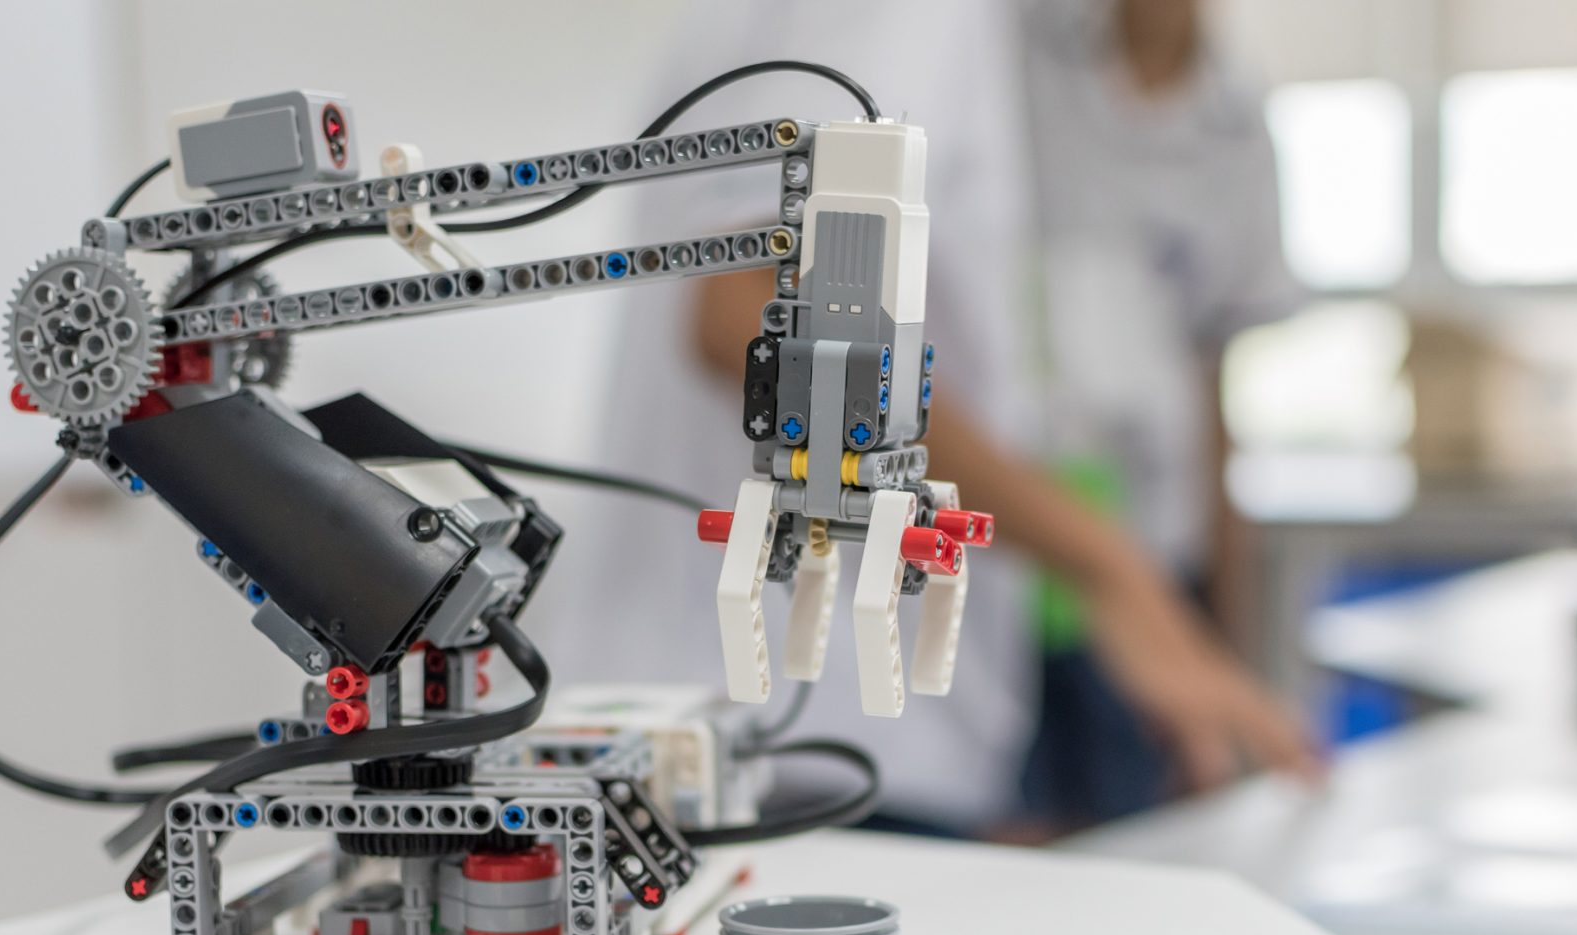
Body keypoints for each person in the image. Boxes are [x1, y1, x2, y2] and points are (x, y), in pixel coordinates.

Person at [548, 0, 1316, 838]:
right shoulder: (900, 17)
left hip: (806, 720)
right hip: (790, 726)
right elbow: (759, 319)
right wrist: (1109, 567)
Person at [1014, 0, 1316, 828]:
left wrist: (1223, 641)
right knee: (1014, 823)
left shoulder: (1238, 128)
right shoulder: (1017, 58)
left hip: (1147, 541)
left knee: (1141, 818)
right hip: (1008, 534)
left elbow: (1217, 388)